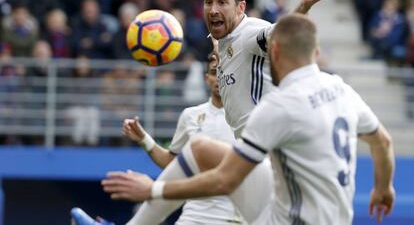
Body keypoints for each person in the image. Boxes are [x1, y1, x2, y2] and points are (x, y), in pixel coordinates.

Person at [72, 0, 337, 224]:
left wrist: (304, 5)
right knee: (201, 156)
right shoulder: (226, 42)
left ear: (241, 7)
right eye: (209, 2)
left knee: (200, 151)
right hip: (258, 163)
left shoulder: (249, 33)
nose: (213, 9)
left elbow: (279, 33)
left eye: (222, 2)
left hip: (269, 162)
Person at [101, 14, 396, 224]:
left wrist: (151, 189)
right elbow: (382, 141)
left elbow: (224, 180)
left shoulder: (279, 106)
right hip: (324, 216)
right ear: (316, 52)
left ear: (275, 50)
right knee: (201, 148)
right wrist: (383, 188)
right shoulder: (340, 88)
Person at [72, 54, 245, 224]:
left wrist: (152, 189)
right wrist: (144, 139)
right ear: (207, 78)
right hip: (194, 211)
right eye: (215, 72)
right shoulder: (190, 115)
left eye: (225, 71)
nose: (220, 77)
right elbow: (175, 163)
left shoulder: (247, 115)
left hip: (230, 214)